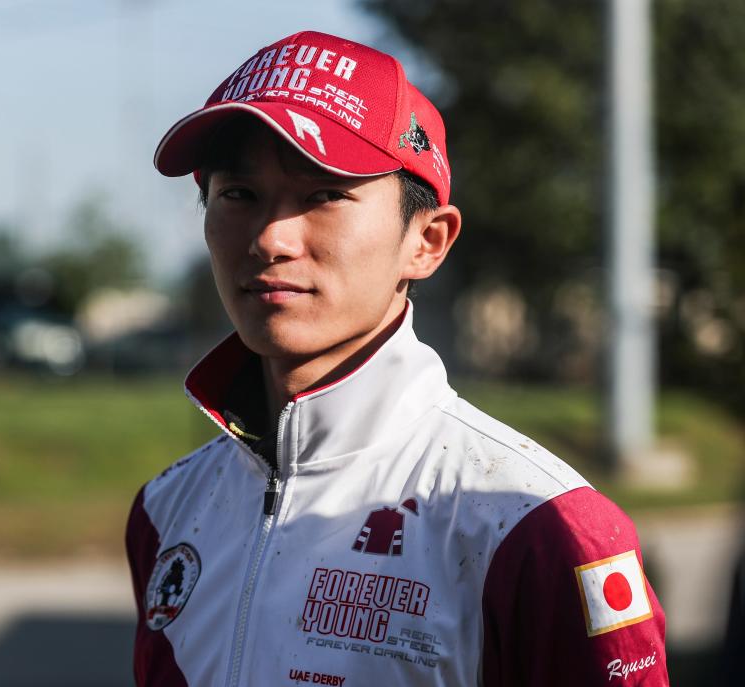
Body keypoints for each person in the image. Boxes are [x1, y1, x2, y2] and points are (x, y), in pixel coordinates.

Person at [125, 30, 668, 686]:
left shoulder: (536, 525)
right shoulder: (166, 509)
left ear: (427, 241)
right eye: (239, 194)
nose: (270, 237)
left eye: (323, 194)